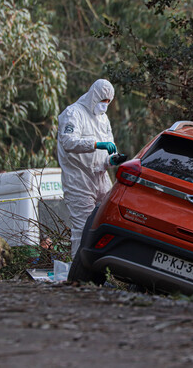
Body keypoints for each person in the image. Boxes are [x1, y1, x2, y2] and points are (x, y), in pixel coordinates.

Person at [57, 78, 126, 258]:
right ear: (94, 96)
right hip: (79, 179)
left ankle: (100, 269)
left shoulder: (103, 119)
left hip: (100, 177)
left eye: (107, 102)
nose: (104, 105)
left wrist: (112, 160)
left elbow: (108, 149)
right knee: (82, 228)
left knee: (109, 220)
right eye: (102, 100)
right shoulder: (73, 113)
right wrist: (96, 144)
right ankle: (77, 274)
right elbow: (68, 142)